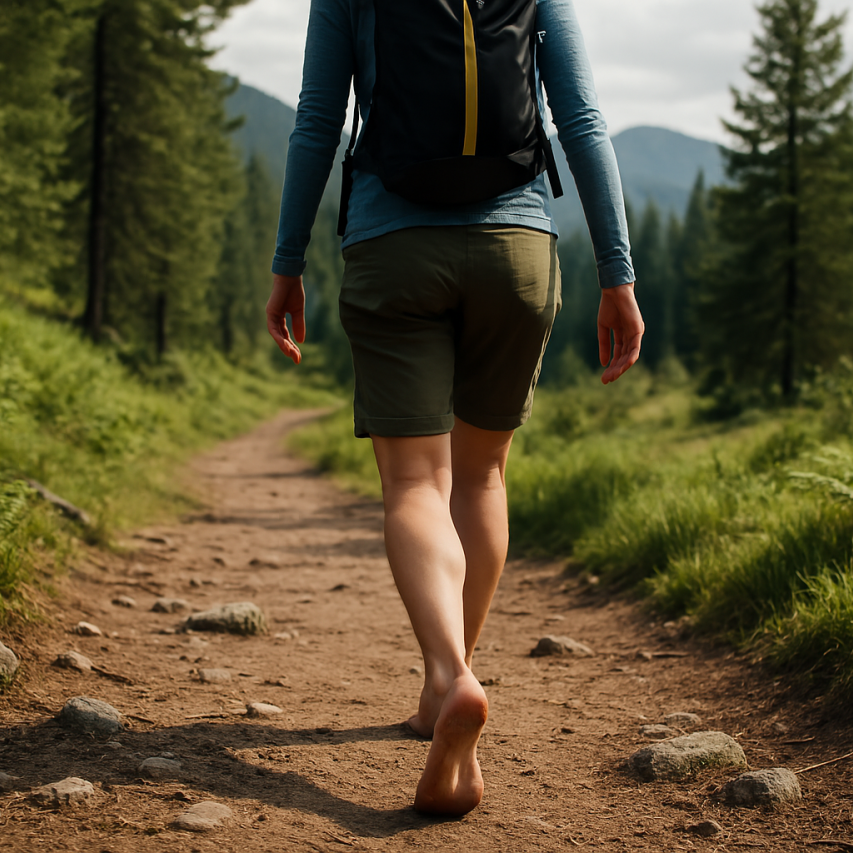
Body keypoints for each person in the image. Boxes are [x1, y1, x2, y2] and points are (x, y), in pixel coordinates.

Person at [265, 0, 644, 817]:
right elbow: (579, 116)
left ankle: (446, 676)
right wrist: (619, 273)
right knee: (481, 476)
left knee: (414, 483)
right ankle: (450, 680)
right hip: (516, 251)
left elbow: (318, 121)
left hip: (390, 243)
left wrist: (287, 260)